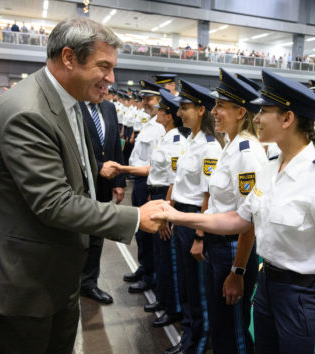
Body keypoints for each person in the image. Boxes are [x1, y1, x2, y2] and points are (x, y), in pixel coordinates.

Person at [0, 18, 165, 354]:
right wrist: (135, 217)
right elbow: (53, 203)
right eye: (104, 66)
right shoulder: (28, 112)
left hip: (55, 271)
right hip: (23, 281)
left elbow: (75, 171)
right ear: (69, 57)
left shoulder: (69, 103)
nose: (111, 79)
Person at [153, 69, 315, 354]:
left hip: (304, 295)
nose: (256, 118)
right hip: (267, 288)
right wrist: (177, 216)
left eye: (264, 111)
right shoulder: (272, 167)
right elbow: (240, 219)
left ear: (287, 119)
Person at [203, 68, 267, 353]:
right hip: (219, 246)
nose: (214, 111)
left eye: (221, 106)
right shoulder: (230, 145)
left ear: (241, 112)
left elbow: (249, 218)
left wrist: (237, 271)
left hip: (233, 251)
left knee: (235, 331)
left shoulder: (247, 152)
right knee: (222, 327)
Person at [118, 89, 187, 328]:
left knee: (169, 258)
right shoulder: (167, 137)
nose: (157, 113)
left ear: (168, 116)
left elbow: (174, 180)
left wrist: (167, 211)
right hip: (156, 191)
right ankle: (164, 300)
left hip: (167, 196)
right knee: (160, 253)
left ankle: (173, 307)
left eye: (161, 110)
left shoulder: (177, 140)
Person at [165, 79, 223, 354]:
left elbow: (207, 196)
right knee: (187, 285)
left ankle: (198, 343)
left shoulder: (210, 147)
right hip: (182, 217)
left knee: (198, 290)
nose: (179, 113)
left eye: (185, 107)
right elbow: (179, 183)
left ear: (201, 110)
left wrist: (200, 235)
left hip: (195, 220)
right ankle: (189, 335)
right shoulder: (191, 140)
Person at [77, 94, 126, 305]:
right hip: (79, 182)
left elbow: (114, 145)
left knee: (97, 235)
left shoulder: (109, 108)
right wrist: (98, 167)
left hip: (105, 185)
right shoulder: (73, 105)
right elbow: (71, 146)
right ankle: (69, 280)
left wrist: (119, 181)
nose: (105, 87)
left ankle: (89, 284)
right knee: (75, 233)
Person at [124, 80, 166, 294]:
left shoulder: (160, 128)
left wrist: (123, 170)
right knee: (140, 232)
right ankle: (144, 267)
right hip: (139, 181)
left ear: (160, 100)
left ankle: (152, 275)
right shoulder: (149, 123)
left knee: (150, 235)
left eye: (149, 98)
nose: (145, 102)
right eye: (143, 98)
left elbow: (155, 166)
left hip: (148, 182)